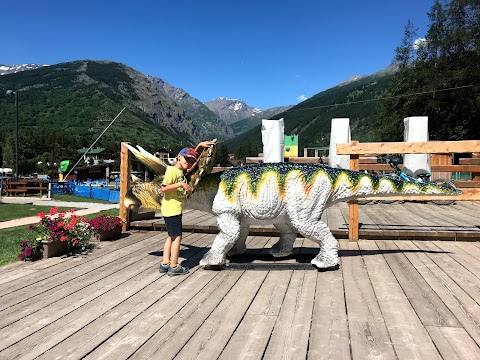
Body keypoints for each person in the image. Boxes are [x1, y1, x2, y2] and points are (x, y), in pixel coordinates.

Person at [159, 141, 216, 276]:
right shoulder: (172, 171)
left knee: (171, 237)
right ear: (179, 157)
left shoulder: (181, 171)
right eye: (186, 159)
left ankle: (165, 263)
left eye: (191, 161)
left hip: (172, 209)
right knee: (177, 237)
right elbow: (163, 189)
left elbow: (193, 160)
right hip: (172, 210)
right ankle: (174, 266)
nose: (189, 163)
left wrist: (200, 146)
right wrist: (181, 185)